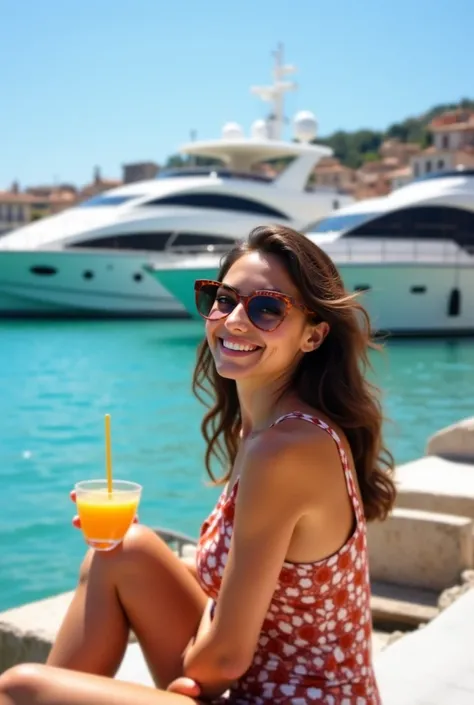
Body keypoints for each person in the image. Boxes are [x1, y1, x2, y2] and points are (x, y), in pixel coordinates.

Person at [0, 224, 396, 705]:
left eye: (267, 308)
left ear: (313, 336)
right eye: (224, 298)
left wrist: (189, 676)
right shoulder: (260, 429)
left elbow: (225, 660)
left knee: (21, 689)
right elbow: (258, 595)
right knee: (123, 550)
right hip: (253, 682)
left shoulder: (286, 449)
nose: (232, 321)